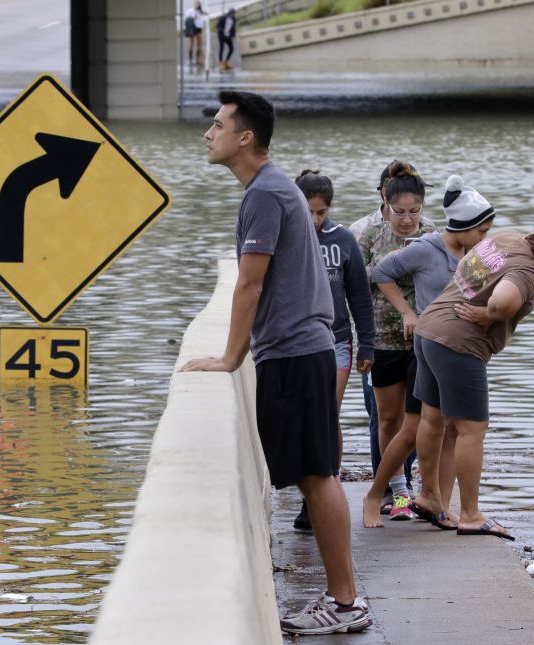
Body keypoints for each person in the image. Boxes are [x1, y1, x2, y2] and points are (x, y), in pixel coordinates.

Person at [181, 90, 371, 635]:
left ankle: (345, 604)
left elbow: (250, 282)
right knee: (316, 476)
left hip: (293, 351)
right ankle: (343, 600)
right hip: (301, 350)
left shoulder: (265, 193)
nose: (207, 133)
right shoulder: (274, 188)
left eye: (217, 125)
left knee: (317, 477)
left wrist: (228, 357)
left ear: (245, 137)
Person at [409, 209, 534, 541]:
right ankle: (472, 515)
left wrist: (477, 302)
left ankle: (430, 497)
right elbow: (503, 302)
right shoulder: (527, 270)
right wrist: (487, 314)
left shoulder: (506, 237)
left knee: (432, 420)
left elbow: (466, 266)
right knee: (472, 429)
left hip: (429, 330)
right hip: (459, 344)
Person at [361, 175, 495, 529]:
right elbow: (381, 273)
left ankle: (439, 503)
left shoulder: (475, 256)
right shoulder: (426, 247)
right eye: (482, 231)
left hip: (458, 351)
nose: (486, 238)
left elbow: (479, 294)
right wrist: (408, 312)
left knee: (453, 430)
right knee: (412, 428)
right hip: (424, 347)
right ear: (464, 226)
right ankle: (376, 494)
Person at [348, 162, 437, 515]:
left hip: (422, 339)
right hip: (380, 337)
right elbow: (353, 282)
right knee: (385, 418)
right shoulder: (365, 234)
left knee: (416, 417)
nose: (406, 219)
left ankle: (407, 486)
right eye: (399, 212)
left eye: (414, 212)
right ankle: (389, 487)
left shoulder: (431, 233)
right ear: (384, 201)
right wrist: (395, 264)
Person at [292, 170, 375, 531]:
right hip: (292, 342)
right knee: (300, 419)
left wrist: (367, 343)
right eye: (308, 211)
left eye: (321, 213)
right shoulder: (284, 238)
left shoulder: (341, 240)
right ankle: (308, 491)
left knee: (326, 415)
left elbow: (358, 294)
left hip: (336, 340)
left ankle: (327, 490)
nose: (314, 220)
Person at [183, 2, 206, 67]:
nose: (196, 5)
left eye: (198, 4)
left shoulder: (200, 11)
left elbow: (204, 15)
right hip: (192, 28)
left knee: (199, 43)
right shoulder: (190, 11)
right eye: (196, 4)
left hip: (199, 28)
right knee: (191, 44)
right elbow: (187, 19)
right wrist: (194, 17)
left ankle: (197, 59)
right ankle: (190, 59)